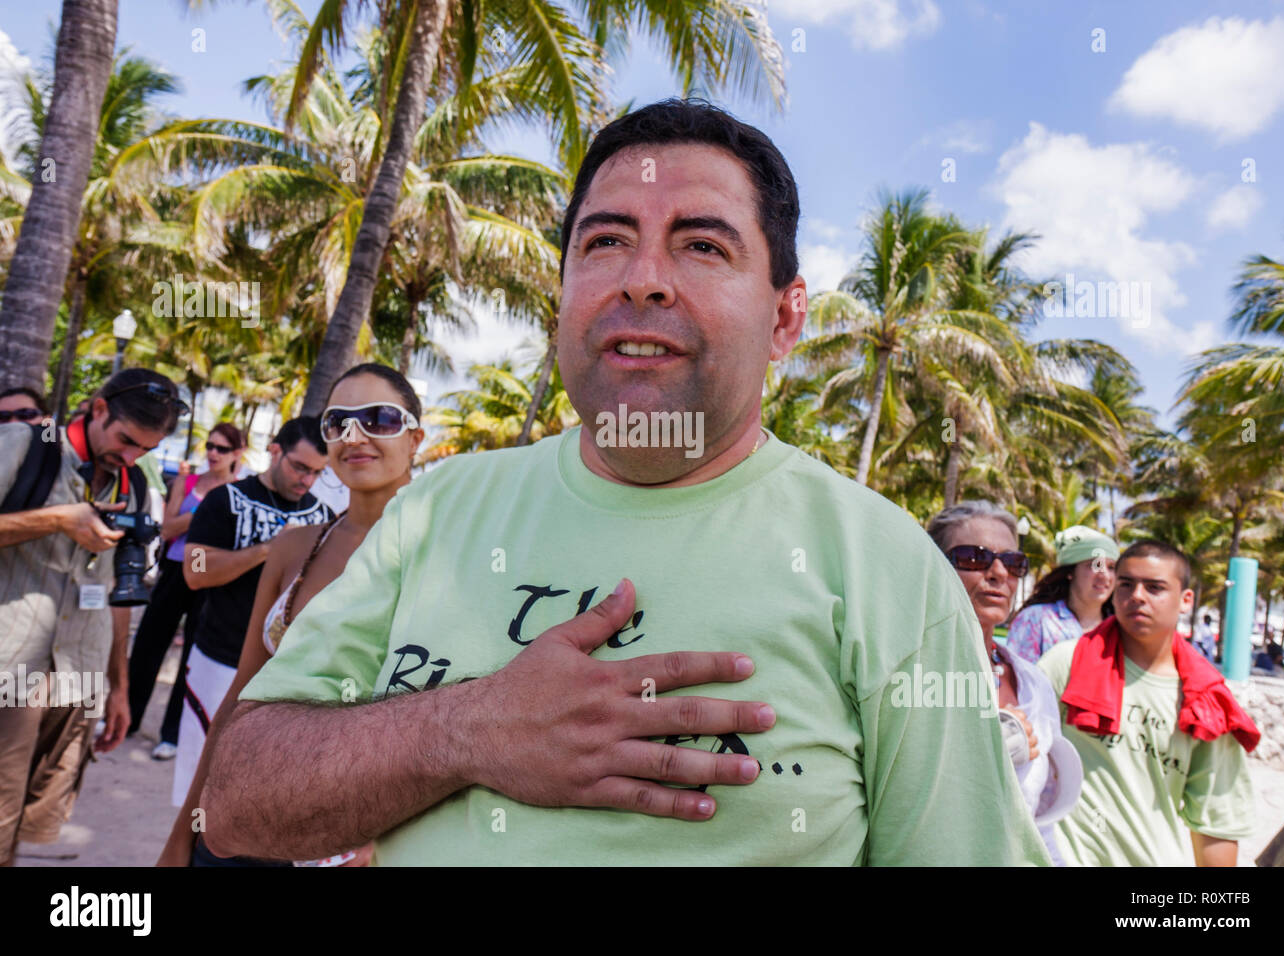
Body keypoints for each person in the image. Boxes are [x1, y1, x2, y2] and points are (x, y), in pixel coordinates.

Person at [202, 98, 1049, 866]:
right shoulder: (438, 509)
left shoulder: (886, 567)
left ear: (785, 318)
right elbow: (239, 804)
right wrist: (468, 731)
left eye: (702, 245)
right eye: (605, 241)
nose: (643, 277)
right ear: (564, 291)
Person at [157, 363, 422, 866]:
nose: (354, 435)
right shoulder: (296, 546)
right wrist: (184, 832)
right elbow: (241, 698)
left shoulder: (441, 554)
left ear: (415, 439)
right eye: (337, 422)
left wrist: (376, 842)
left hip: (342, 841)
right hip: (242, 819)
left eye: (380, 419)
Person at [0, 368, 185, 865]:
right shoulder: (26, 444)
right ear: (98, 408)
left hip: (77, 678)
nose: (130, 458)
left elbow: (116, 595)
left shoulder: (137, 486)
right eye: (125, 440)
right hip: (9, 670)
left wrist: (119, 688)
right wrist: (58, 519)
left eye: (144, 451)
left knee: (27, 823)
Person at [1038, 540, 1258, 866]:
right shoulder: (1066, 665)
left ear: (1186, 600)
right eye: (1126, 584)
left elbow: (1216, 823)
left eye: (1154, 587)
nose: (1136, 596)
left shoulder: (1206, 700)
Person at [174, 416, 331, 809]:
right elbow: (194, 574)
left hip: (284, 674)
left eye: (317, 473)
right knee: (200, 783)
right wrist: (269, 551)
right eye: (300, 467)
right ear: (274, 451)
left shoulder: (324, 516)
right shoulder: (225, 500)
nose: (306, 481)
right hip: (219, 659)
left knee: (251, 791)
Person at [926, 501, 1080, 866]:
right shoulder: (907, 673)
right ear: (933, 565)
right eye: (974, 558)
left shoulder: (1033, 682)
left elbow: (1038, 818)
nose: (998, 573)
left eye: (1013, 563)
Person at [126, 423, 245, 759]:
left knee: (192, 654)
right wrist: (205, 513)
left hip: (208, 575)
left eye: (222, 448)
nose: (213, 453)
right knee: (149, 642)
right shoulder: (187, 481)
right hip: (175, 570)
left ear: (237, 454)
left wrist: (192, 517)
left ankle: (172, 734)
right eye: (210, 445)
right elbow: (168, 529)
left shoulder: (238, 492)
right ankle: (128, 718)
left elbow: (216, 537)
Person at [1007, 525, 1118, 662]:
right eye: (1094, 565)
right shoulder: (1035, 620)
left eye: (1111, 567)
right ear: (1070, 572)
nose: (1105, 575)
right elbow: (1018, 679)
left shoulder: (1122, 626)